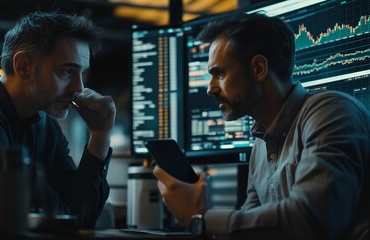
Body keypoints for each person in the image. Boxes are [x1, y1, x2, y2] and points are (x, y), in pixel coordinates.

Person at [153, 13, 370, 239]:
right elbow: (253, 228)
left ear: (258, 68)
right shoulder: (259, 144)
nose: (210, 88)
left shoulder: (331, 112)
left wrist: (199, 217)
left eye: (219, 73)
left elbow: (311, 219)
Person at [0, 11, 116, 228]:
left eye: (82, 74)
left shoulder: (46, 125)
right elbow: (27, 218)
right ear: (23, 66)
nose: (78, 88)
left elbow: (76, 218)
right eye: (67, 71)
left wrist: (100, 136)